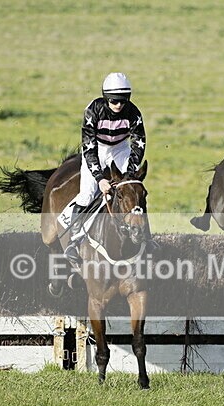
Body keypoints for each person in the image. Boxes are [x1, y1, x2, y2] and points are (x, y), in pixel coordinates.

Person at [63, 72, 147, 266]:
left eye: (123, 100)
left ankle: (146, 238)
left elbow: (139, 144)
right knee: (87, 194)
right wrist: (100, 178)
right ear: (105, 97)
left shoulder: (134, 113)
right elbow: (89, 147)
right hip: (97, 150)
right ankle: (73, 243)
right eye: (114, 101)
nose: (118, 105)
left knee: (134, 189)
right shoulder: (93, 111)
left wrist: (129, 173)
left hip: (121, 149)